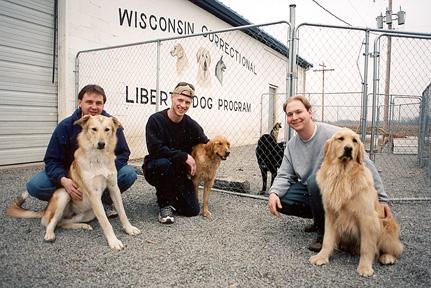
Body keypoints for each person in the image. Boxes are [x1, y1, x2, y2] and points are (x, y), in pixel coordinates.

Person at [267, 95, 392, 252]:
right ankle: (319, 220)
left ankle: (324, 234)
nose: (294, 117)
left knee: (315, 180)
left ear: (309, 112)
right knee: (283, 198)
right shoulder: (292, 145)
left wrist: (382, 199)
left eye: (299, 112)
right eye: (290, 114)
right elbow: (285, 175)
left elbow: (366, 164)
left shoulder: (334, 135)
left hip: (339, 190)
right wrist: (273, 193)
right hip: (313, 191)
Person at [26, 84, 137, 217]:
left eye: (98, 103)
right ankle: (66, 203)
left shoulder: (110, 124)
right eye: (89, 102)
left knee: (128, 173)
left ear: (103, 105)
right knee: (36, 185)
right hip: (72, 174)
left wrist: (106, 172)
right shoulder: (66, 126)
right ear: (80, 102)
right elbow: (51, 159)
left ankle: (104, 200)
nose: (94, 107)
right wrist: (63, 179)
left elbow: (123, 153)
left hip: (101, 172)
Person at [143, 82, 209, 224]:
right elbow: (155, 149)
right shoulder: (156, 120)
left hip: (178, 172)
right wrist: (185, 156)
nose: (183, 105)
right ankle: (164, 204)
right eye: (180, 100)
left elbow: (206, 142)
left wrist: (219, 149)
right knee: (164, 163)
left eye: (187, 102)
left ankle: (171, 194)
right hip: (156, 167)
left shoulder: (190, 124)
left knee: (192, 210)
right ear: (172, 97)